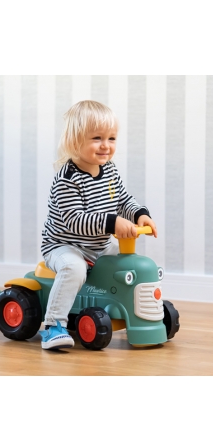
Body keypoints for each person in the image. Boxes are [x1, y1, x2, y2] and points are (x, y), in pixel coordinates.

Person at [39, 100, 157, 350]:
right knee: (74, 268)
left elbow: (122, 199)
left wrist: (139, 214)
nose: (106, 145)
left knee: (128, 266)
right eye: (97, 138)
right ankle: (53, 325)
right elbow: (74, 220)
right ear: (75, 141)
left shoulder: (109, 171)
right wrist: (112, 222)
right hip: (64, 245)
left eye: (111, 138)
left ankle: (133, 313)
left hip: (98, 246)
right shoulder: (67, 179)